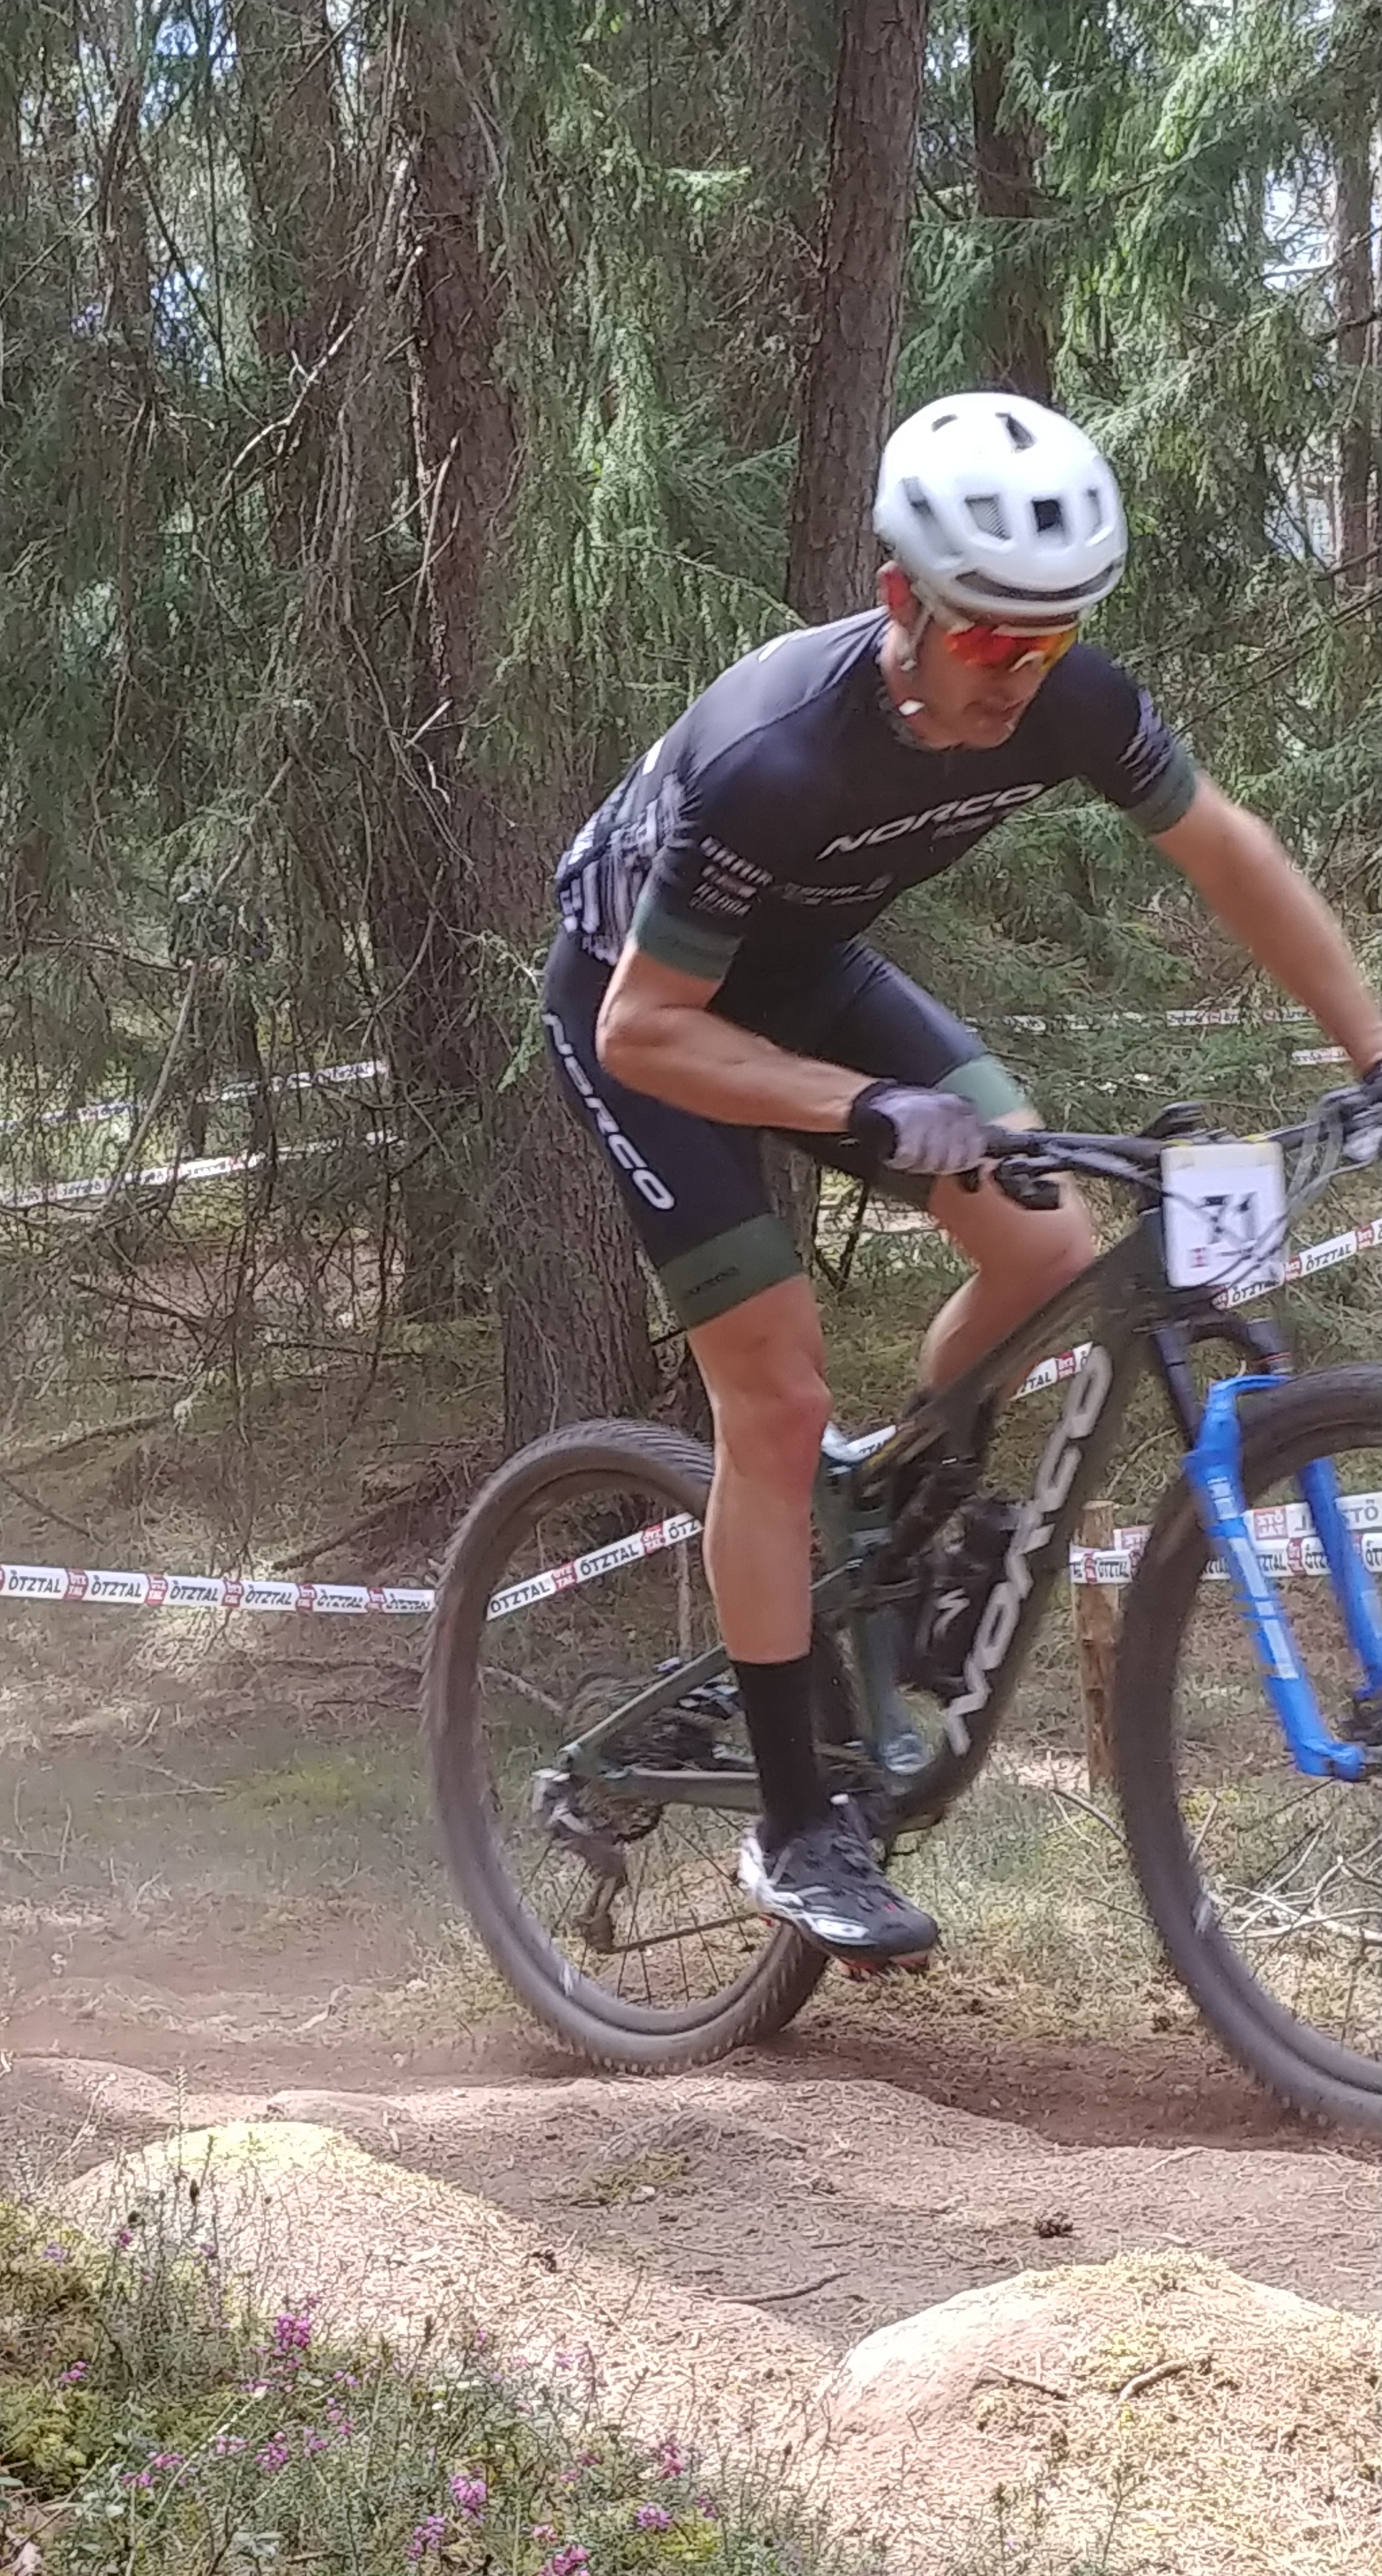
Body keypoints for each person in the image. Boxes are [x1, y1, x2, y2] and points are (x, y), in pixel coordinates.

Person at [542, 390, 1382, 1966]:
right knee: (777, 1398)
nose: (1021, 673)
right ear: (902, 602)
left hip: (805, 971)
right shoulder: (777, 755)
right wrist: (863, 1104)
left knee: (1051, 1246)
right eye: (992, 638)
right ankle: (796, 1828)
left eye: (1053, 640)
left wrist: (1372, 1052)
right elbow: (643, 1031)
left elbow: (1228, 851)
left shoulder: (1063, 699)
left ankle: (903, 1520)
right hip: (639, 1011)